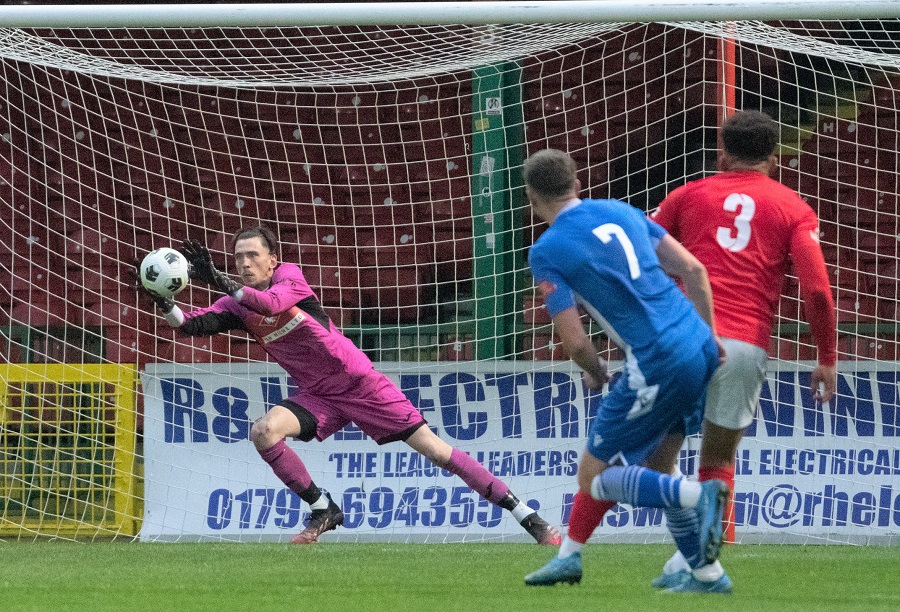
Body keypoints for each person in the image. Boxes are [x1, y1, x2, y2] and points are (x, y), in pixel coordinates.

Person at [136, 225, 561, 546]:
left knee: (437, 452)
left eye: (252, 256)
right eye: (237, 258)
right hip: (317, 394)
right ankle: (323, 509)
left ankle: (527, 515)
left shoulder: (290, 280)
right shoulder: (236, 301)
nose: (244, 264)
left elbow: (268, 304)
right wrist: (168, 304)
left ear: (272, 259)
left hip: (359, 384)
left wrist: (222, 283)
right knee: (263, 431)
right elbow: (195, 327)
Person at [520, 149, 730, 593]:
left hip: (658, 357)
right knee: (659, 463)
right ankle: (707, 574)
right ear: (577, 182)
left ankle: (702, 496)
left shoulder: (547, 250)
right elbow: (693, 269)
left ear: (530, 197)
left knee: (594, 478)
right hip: (697, 342)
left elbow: (575, 342)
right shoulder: (622, 210)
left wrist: (596, 371)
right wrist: (709, 337)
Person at [648, 109, 837, 588]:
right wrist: (827, 357)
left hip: (681, 340)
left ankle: (692, 554)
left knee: (659, 458)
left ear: (722, 151)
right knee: (716, 461)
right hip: (742, 343)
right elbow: (816, 291)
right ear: (775, 156)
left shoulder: (685, 196)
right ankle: (701, 562)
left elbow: (642, 259)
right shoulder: (793, 206)